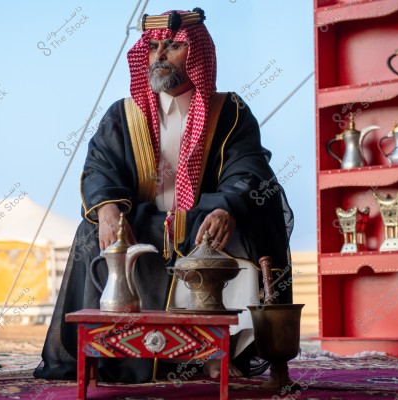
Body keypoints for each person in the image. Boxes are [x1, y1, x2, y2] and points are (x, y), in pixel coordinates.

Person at [34, 7, 294, 383]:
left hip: (204, 220)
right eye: (153, 46)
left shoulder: (230, 110)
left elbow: (249, 169)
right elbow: (99, 168)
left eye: (171, 46)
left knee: (238, 233)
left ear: (197, 53)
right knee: (90, 235)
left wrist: (227, 210)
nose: (158, 55)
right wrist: (107, 211)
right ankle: (108, 353)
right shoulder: (123, 115)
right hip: (140, 222)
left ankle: (212, 352)